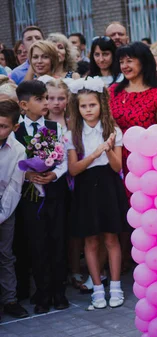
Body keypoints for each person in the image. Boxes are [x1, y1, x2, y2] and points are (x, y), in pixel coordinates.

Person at [65, 77, 128, 309]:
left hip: (108, 185)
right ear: (77, 107)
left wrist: (109, 148)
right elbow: (73, 169)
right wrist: (94, 153)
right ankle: (98, 289)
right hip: (85, 187)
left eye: (92, 105)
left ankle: (115, 286)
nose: (88, 110)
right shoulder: (73, 133)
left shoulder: (113, 130)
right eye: (83, 106)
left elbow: (117, 167)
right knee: (90, 240)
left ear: (101, 104)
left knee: (111, 238)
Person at [14, 80, 69, 313]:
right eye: (41, 99)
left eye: (47, 97)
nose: (47, 103)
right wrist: (27, 175)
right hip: (29, 197)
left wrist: (54, 174)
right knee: (37, 244)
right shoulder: (15, 131)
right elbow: (11, 162)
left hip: (54, 193)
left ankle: (59, 291)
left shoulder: (54, 127)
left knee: (58, 241)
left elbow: (64, 157)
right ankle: (43, 292)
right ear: (24, 105)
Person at [109, 42, 157, 180]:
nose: (124, 66)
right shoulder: (113, 91)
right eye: (121, 62)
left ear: (143, 62)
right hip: (116, 156)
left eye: (129, 61)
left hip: (146, 162)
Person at [0, 100, 29, 321]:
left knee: (5, 255)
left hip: (4, 209)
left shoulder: (18, 150)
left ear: (15, 128)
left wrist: (0, 216)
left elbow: (14, 188)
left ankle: (10, 299)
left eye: (3, 126)